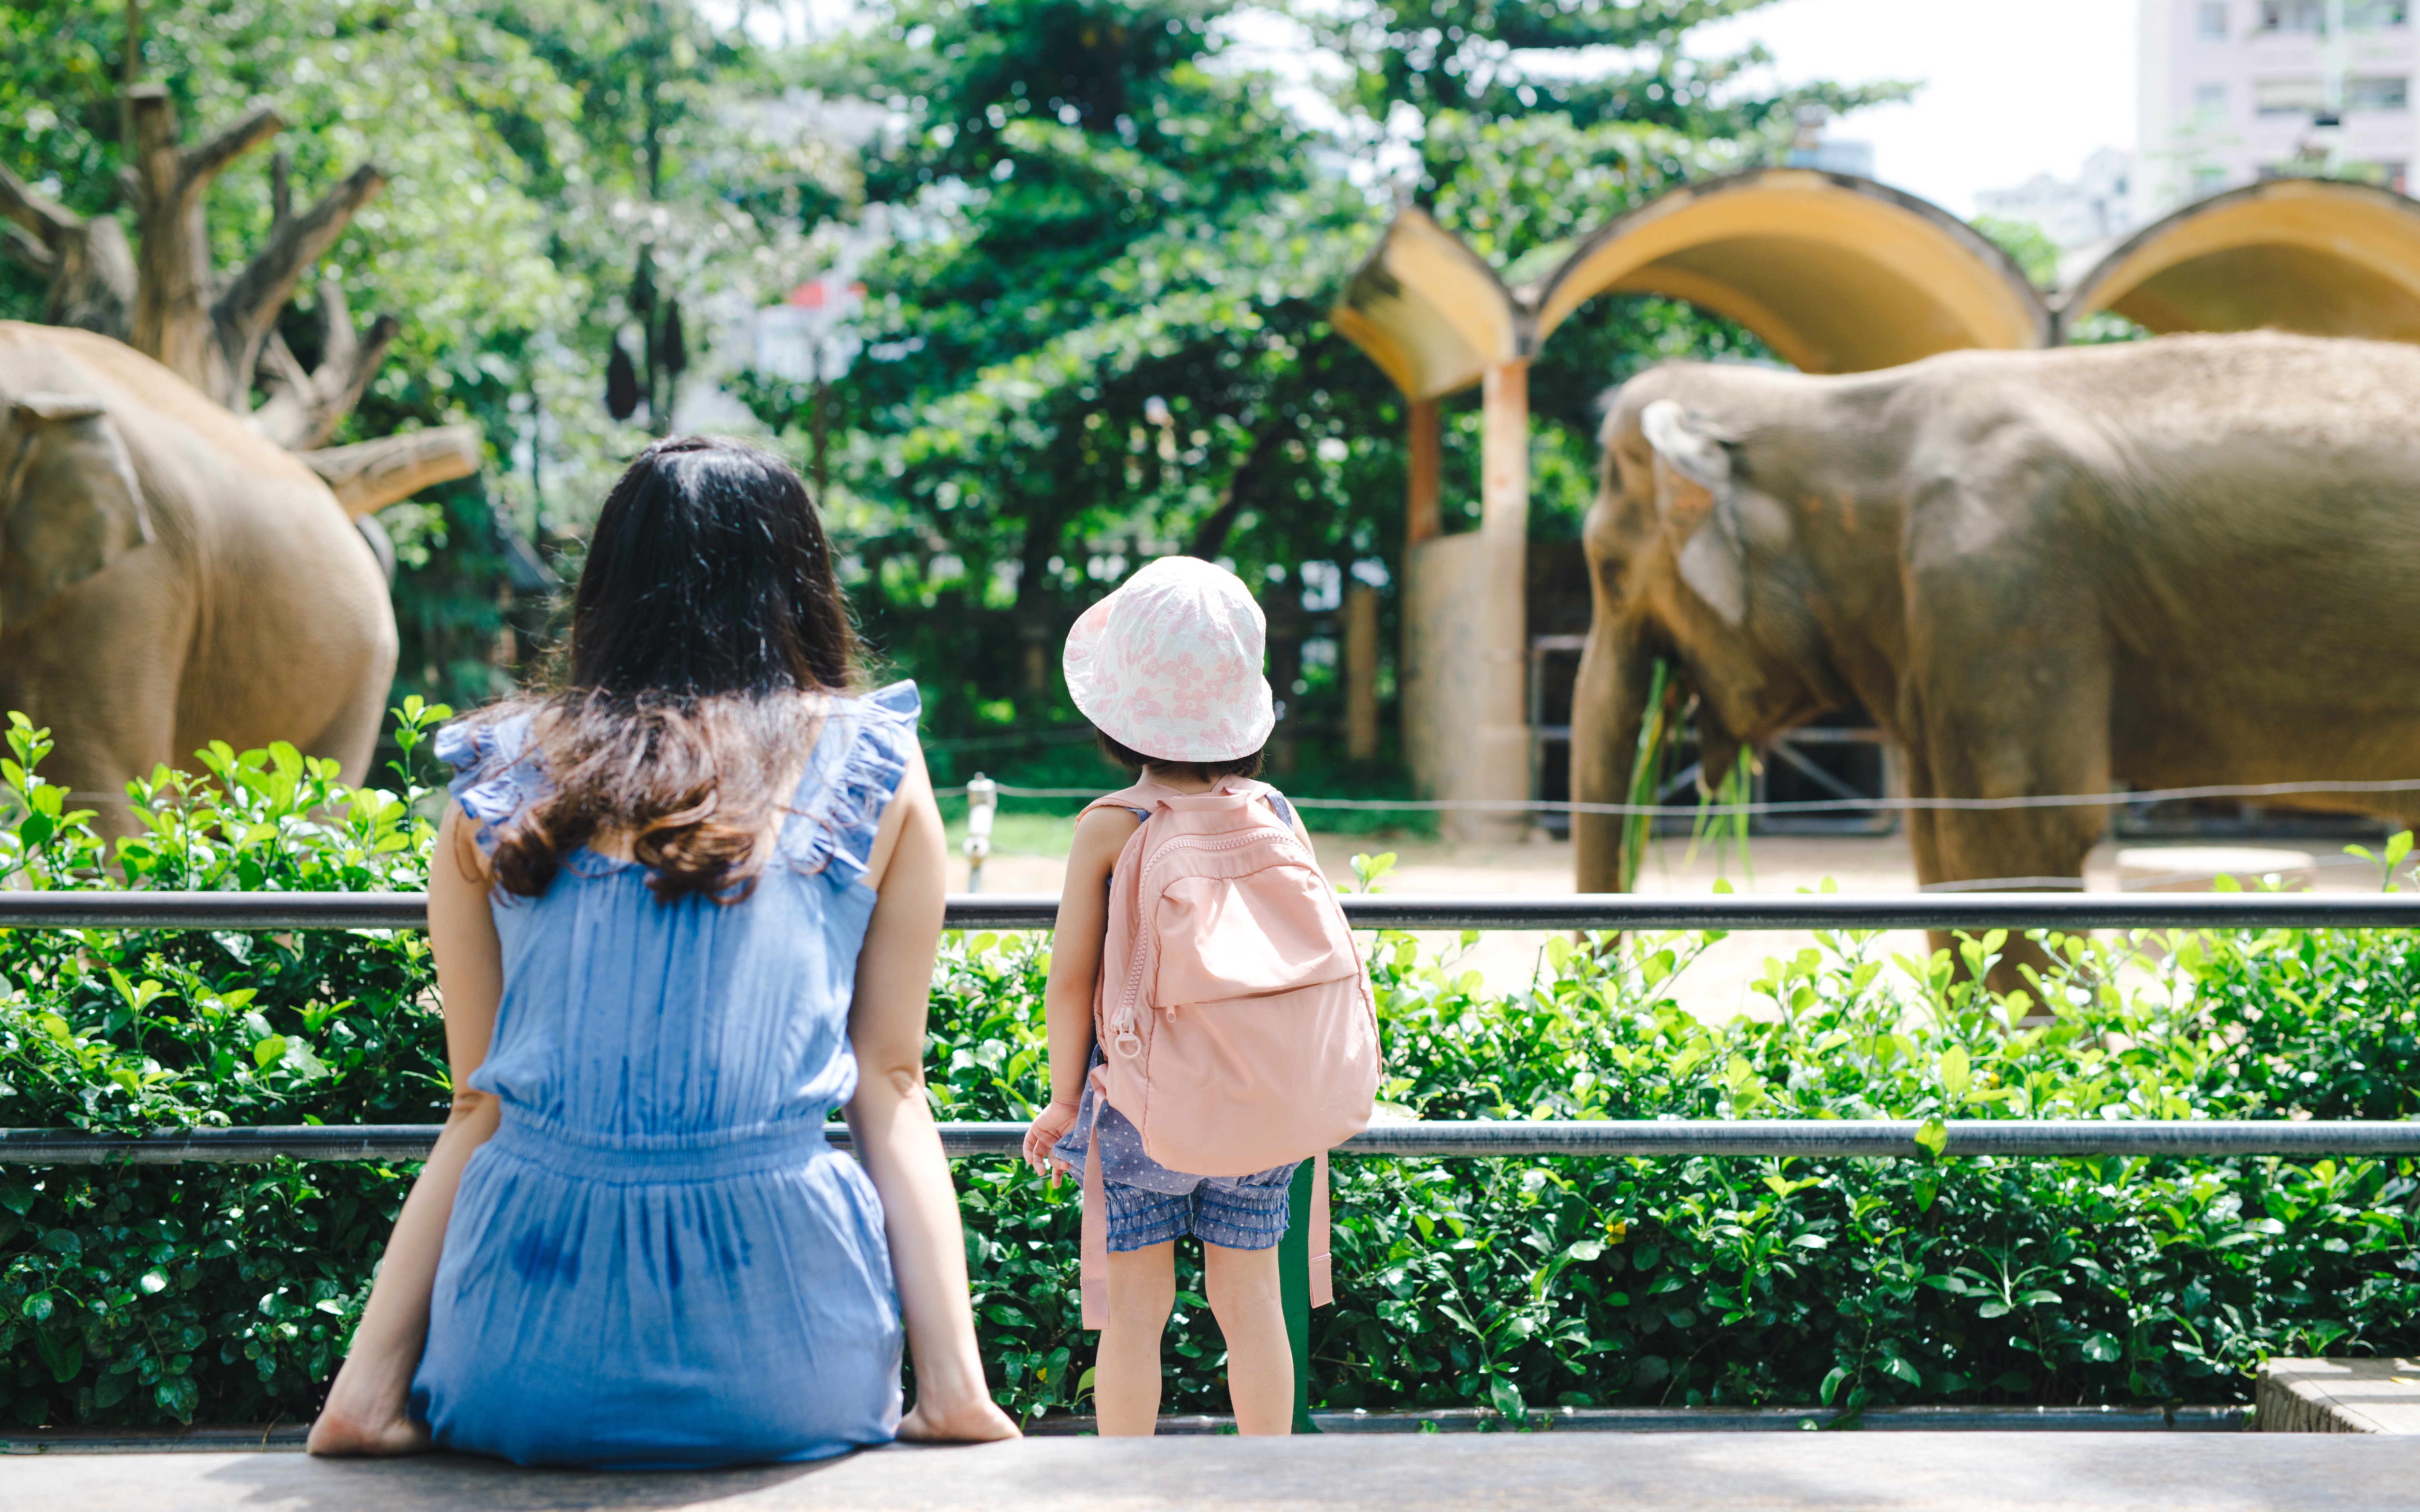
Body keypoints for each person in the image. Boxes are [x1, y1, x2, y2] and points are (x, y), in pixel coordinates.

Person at [307, 437, 1018, 1466]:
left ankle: (368, 1393)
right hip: (790, 1355)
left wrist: (365, 1396)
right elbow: (891, 1083)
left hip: (523, 1346)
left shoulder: (497, 774)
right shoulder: (871, 763)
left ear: (608, 584)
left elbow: (480, 1101)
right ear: (798, 579)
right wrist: (952, 1388)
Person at [1019, 555, 1311, 1437]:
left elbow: (1071, 978)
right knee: (1252, 1301)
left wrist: (1067, 1100)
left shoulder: (1110, 826)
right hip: (1261, 1102)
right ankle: (1271, 1487)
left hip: (1144, 1108)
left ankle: (1128, 1489)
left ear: (1120, 716)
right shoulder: (1275, 813)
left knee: (1136, 1314)